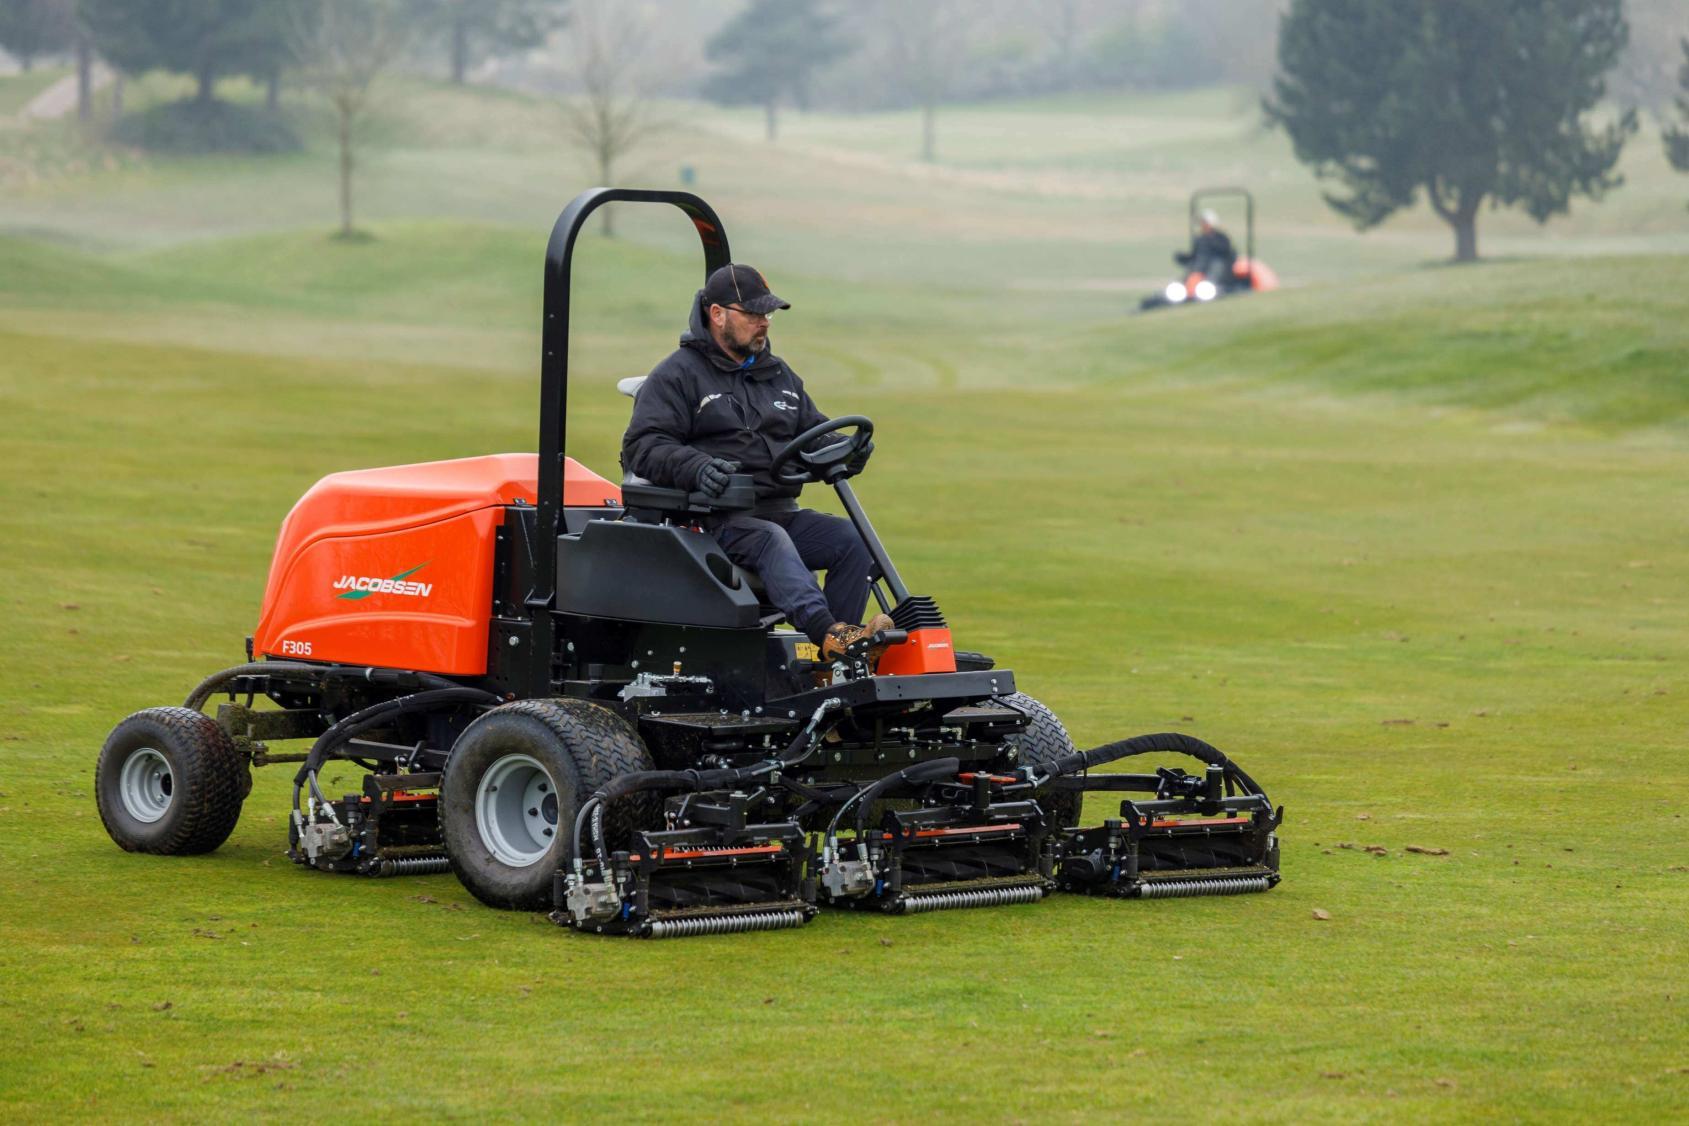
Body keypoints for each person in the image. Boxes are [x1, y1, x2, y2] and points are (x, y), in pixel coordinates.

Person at [621, 263, 892, 660]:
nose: (764, 323)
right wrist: (696, 467)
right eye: (752, 314)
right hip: (715, 520)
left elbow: (810, 432)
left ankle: (835, 657)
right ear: (718, 315)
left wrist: (844, 448)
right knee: (770, 540)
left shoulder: (779, 375)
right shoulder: (678, 375)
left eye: (767, 314)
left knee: (852, 541)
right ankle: (828, 633)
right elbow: (642, 445)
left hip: (777, 511)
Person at [1175, 208, 1237, 285]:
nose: (1203, 225)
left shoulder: (1221, 237)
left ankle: (1210, 284)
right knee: (1191, 269)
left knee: (1216, 267)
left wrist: (1211, 241)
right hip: (1200, 264)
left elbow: (1226, 251)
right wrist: (1184, 258)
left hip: (1217, 264)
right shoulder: (1200, 239)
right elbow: (1195, 254)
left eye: (1205, 223)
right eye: (1202, 223)